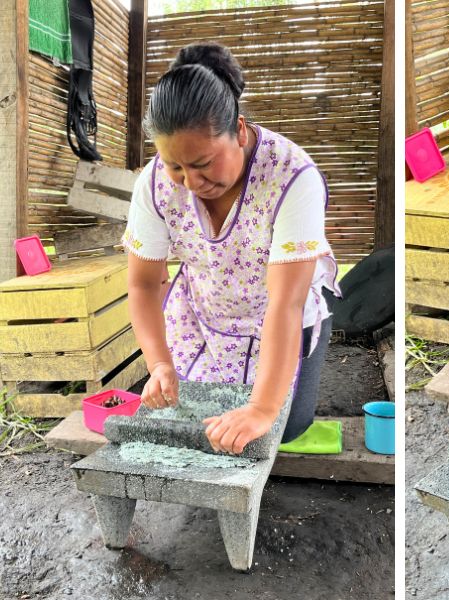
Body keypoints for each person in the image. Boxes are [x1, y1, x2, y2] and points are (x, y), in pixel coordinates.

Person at [122, 42, 340, 455]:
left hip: (282, 314)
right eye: (175, 166)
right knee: (200, 420)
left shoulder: (293, 176)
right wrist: (160, 364)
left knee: (282, 427)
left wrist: (261, 407)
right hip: (203, 313)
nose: (190, 182)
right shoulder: (152, 185)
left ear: (239, 131)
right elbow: (144, 286)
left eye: (204, 164)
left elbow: (286, 303)